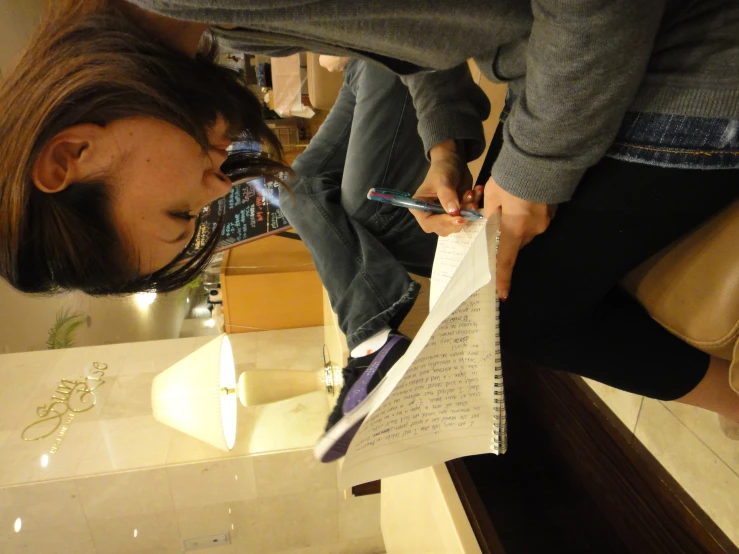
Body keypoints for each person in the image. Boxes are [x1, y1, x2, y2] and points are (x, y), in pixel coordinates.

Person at [2, 1, 738, 457]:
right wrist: (445, 144)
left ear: (72, 153)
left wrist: (534, 173)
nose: (214, 189)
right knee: (498, 283)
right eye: (193, 218)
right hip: (602, 51)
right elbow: (404, 36)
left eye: (177, 213)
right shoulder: (210, 21)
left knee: (514, 307)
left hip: (694, 44)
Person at [280, 57, 481, 461]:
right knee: (295, 187)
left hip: (370, 53)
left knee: (368, 217)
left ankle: (375, 340)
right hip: (358, 58)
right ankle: (371, 341)